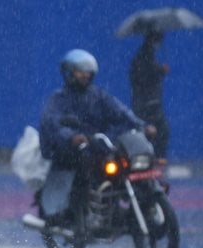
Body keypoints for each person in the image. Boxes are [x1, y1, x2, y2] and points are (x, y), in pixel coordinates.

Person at [37, 48, 155, 226]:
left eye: (87, 71)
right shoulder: (59, 99)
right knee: (85, 167)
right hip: (70, 151)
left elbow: (121, 112)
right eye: (79, 71)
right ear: (69, 73)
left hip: (97, 144)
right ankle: (80, 210)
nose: (85, 75)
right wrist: (72, 137)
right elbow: (52, 124)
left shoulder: (98, 95)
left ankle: (129, 204)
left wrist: (141, 125)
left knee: (124, 163)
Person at [129, 29, 171, 158]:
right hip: (146, 102)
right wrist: (159, 71)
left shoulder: (146, 54)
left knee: (158, 130)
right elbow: (143, 76)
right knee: (157, 130)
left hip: (147, 101)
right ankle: (155, 158)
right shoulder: (144, 55)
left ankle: (154, 158)